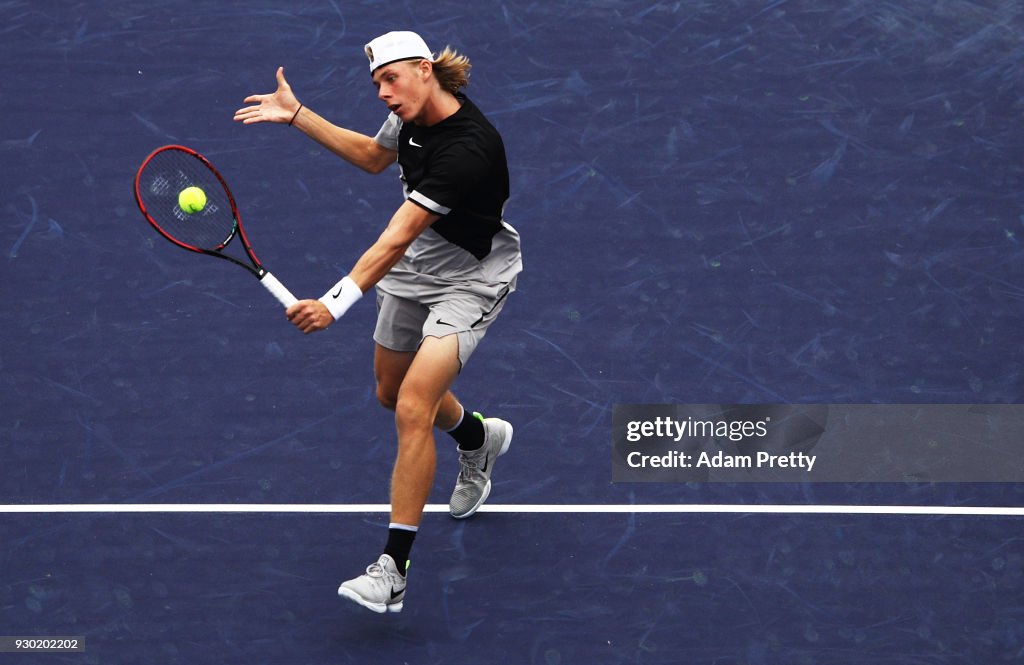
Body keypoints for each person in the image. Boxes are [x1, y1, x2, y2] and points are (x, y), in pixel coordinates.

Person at [233, 31, 522, 613]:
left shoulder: (467, 149)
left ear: (423, 69)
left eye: (392, 80)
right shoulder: (413, 115)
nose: (384, 95)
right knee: (391, 393)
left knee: (415, 404)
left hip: (470, 279)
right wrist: (297, 116)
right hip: (415, 272)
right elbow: (372, 156)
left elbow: (397, 236)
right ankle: (479, 438)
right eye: (377, 86)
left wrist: (334, 302)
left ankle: (392, 569)